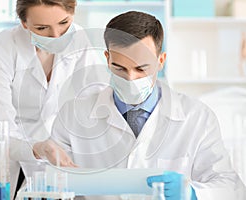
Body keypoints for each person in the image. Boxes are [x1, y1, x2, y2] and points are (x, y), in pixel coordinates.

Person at [51, 11, 246, 199]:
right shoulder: (72, 115)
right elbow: (48, 179)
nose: (130, 78)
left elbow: (230, 186)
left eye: (141, 68)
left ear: (160, 61)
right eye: (119, 68)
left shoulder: (197, 116)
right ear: (108, 59)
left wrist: (193, 193)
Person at [0, 0, 106, 199]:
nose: (56, 36)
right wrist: (38, 148)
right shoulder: (0, 49)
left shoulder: (79, 40)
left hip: (42, 153)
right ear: (24, 24)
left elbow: (97, 98)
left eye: (64, 23)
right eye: (42, 28)